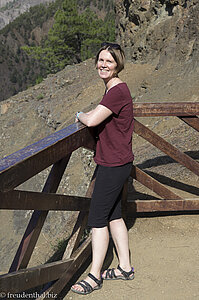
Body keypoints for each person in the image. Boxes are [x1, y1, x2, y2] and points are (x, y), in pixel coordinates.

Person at [71, 42, 134, 295]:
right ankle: (125, 268)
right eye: (100, 60)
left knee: (97, 220)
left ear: (118, 64)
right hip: (119, 161)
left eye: (108, 61)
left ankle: (94, 275)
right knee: (114, 215)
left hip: (112, 164)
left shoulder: (116, 90)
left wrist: (80, 114)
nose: (103, 65)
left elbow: (93, 118)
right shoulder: (115, 88)